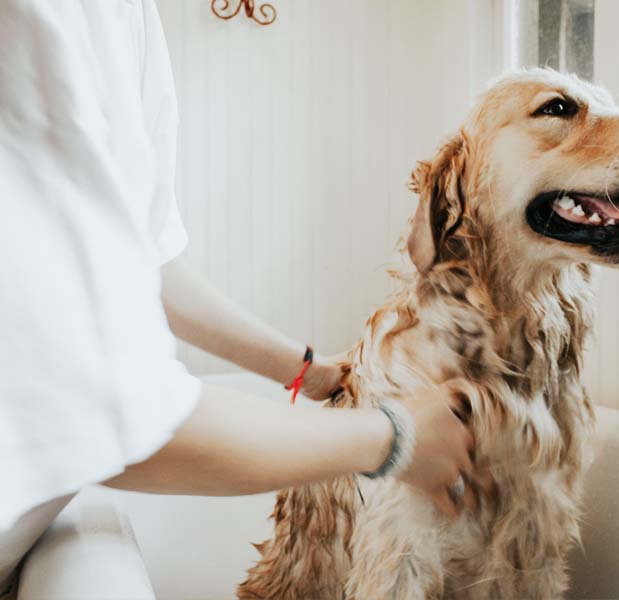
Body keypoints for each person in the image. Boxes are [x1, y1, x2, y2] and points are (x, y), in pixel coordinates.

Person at [0, 1, 473, 593]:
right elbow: (102, 408)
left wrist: (309, 372)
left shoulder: (128, 17)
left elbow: (145, 266)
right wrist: (394, 439)